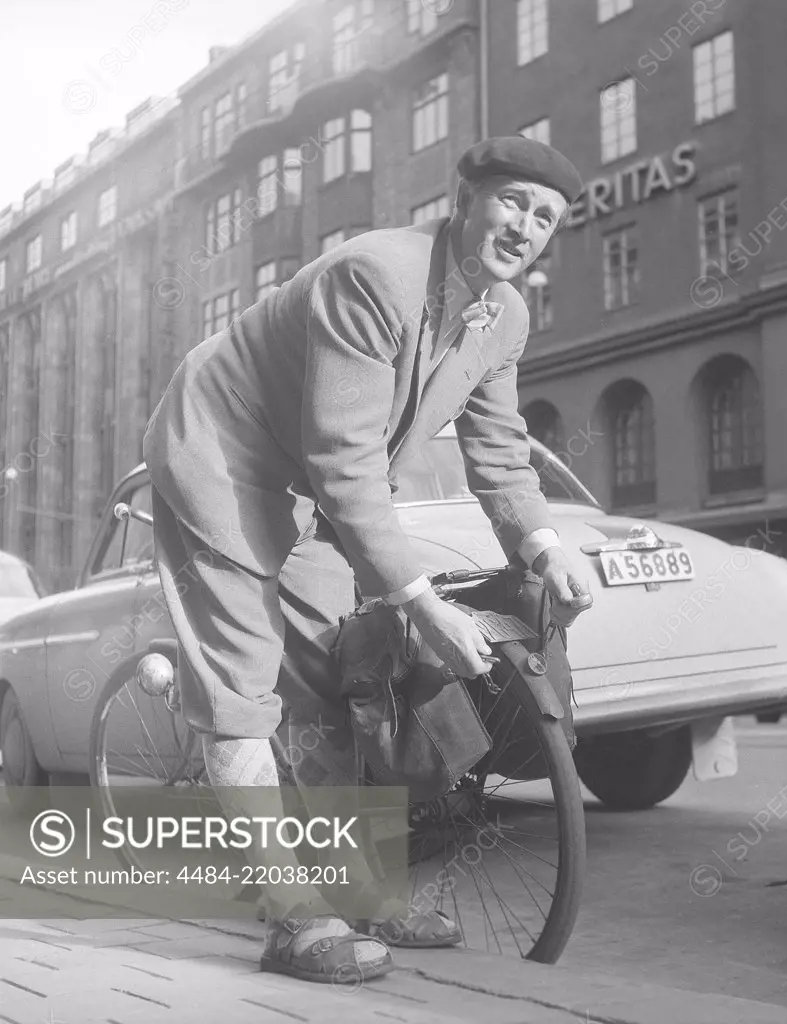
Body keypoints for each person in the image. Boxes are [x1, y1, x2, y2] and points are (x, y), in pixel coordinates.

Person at [142, 136, 595, 984]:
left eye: (544, 217)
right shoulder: (375, 275)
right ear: (464, 203)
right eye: (511, 203)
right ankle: (288, 920)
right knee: (245, 683)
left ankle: (361, 894)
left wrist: (544, 546)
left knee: (328, 670)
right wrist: (422, 603)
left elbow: (497, 452)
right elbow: (347, 467)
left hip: (310, 475)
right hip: (223, 450)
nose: (525, 227)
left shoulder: (506, 314)